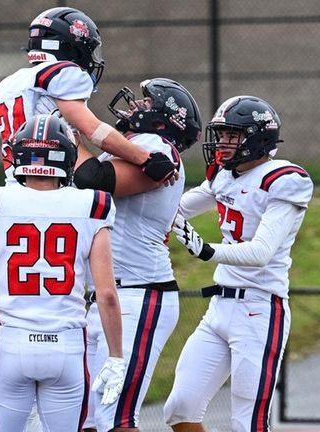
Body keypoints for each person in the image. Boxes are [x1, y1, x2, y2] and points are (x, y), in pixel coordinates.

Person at [0, 115, 125, 432]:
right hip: (67, 345)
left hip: (11, 345)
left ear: (18, 155)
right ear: (68, 156)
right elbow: (107, 294)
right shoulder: (92, 204)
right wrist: (115, 356)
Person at [164, 96, 313, 432]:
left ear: (259, 137)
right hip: (219, 308)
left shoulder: (284, 179)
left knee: (248, 423)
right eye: (222, 134)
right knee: (180, 407)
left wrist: (206, 250)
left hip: (259, 310)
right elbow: (174, 208)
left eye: (233, 135)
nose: (223, 143)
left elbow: (261, 252)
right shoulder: (225, 175)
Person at [73, 78, 203, 432]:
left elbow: (93, 179)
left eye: (145, 103)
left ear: (164, 119)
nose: (134, 107)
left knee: (114, 418)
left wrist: (70, 132)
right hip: (104, 296)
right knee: (82, 418)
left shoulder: (155, 146)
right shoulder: (132, 145)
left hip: (138, 294)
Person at [0, 6, 178, 186]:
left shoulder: (12, 82)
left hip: (16, 183)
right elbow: (93, 130)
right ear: (72, 47)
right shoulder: (65, 72)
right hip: (49, 185)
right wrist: (146, 158)